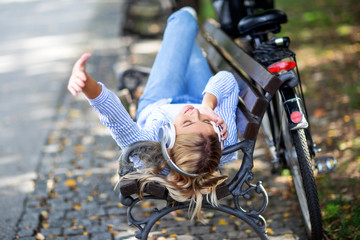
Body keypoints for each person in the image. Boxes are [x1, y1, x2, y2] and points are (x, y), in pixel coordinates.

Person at [67, 7, 240, 222]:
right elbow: (226, 80)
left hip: (160, 99)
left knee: (182, 21)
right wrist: (207, 106)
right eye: (205, 121)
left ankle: (184, 19)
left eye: (187, 122)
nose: (194, 113)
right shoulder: (224, 136)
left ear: (167, 139)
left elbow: (114, 115)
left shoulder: (147, 148)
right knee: (186, 44)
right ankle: (183, 39)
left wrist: (85, 84)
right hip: (199, 94)